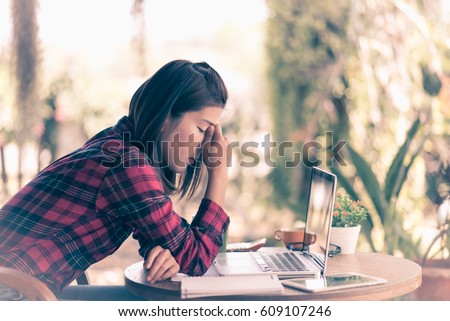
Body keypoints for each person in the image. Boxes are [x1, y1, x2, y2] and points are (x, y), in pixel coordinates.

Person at [0, 59, 230, 300]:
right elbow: (195, 258)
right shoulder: (129, 165)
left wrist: (164, 251)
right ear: (165, 116)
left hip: (28, 286)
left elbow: (155, 231)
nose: (207, 145)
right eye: (203, 130)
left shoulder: (118, 143)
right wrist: (219, 173)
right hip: (12, 292)